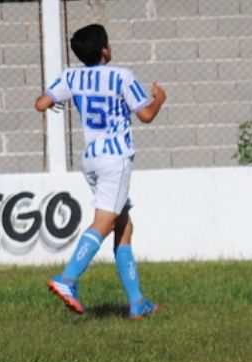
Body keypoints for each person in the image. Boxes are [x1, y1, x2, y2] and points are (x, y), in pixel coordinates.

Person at [34, 24, 167, 318]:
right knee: (104, 223)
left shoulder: (72, 76)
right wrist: (158, 98)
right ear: (105, 49)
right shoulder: (121, 76)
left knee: (123, 227)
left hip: (91, 160)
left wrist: (56, 102)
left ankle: (137, 303)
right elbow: (145, 115)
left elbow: (41, 103)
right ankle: (67, 279)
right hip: (114, 159)